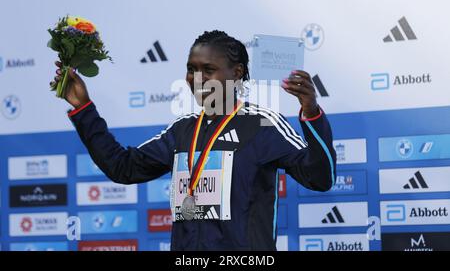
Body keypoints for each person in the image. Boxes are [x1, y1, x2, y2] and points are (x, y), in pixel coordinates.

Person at [50, 30, 336, 251]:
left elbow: (320, 178)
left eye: (207, 70)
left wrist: (310, 113)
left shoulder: (262, 125)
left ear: (236, 74)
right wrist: (83, 108)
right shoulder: (183, 130)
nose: (196, 78)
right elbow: (122, 167)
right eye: (191, 68)